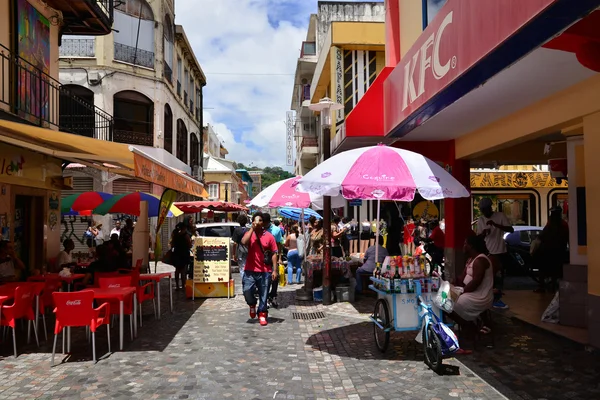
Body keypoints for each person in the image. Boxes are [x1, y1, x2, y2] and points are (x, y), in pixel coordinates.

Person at [449, 235, 494, 342]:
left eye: (465, 244)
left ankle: (468, 326)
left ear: (471, 246)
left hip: (480, 296)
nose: (463, 246)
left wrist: (460, 291)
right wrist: (451, 284)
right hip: (470, 292)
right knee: (445, 297)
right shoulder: (470, 260)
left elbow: (475, 283)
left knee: (449, 302)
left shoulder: (480, 261)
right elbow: (461, 277)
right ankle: (466, 324)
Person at [476, 197, 514, 310]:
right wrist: (483, 233)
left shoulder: (500, 216)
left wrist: (495, 225)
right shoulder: (481, 220)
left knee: (498, 277)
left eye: (486, 210)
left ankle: (497, 299)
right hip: (487, 252)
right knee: (489, 277)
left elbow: (510, 229)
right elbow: (478, 237)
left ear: (490, 208)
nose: (484, 212)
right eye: (482, 210)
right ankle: (490, 298)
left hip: (500, 251)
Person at [241, 213, 278, 326]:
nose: (258, 222)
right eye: (256, 220)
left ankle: (262, 313)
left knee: (264, 293)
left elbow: (274, 253)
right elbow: (243, 242)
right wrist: (252, 228)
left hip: (265, 270)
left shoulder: (269, 236)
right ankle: (252, 303)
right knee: (247, 291)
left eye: (260, 220)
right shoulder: (249, 234)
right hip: (250, 269)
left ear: (264, 223)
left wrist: (275, 270)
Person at [533, 206, 569, 292]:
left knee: (543, 269)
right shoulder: (563, 224)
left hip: (547, 251)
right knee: (555, 270)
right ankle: (553, 286)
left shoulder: (550, 223)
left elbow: (543, 235)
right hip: (558, 251)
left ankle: (542, 287)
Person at [263, 213, 283, 308]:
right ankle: (265, 297)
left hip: (273, 256)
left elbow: (279, 245)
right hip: (262, 258)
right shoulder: (260, 229)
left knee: (275, 278)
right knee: (264, 278)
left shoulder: (276, 230)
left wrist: (279, 258)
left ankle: (273, 296)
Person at [171, 222, 192, 290]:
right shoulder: (186, 235)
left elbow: (172, 244)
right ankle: (183, 285)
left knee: (177, 270)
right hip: (184, 253)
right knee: (183, 271)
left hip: (177, 253)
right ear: (184, 228)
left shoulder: (175, 234)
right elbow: (189, 245)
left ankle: (177, 285)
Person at [232, 214, 250, 282]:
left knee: (242, 267)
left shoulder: (236, 230)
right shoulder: (249, 230)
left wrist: (234, 254)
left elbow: (235, 243)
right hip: (249, 250)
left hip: (240, 251)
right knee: (248, 267)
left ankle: (244, 281)